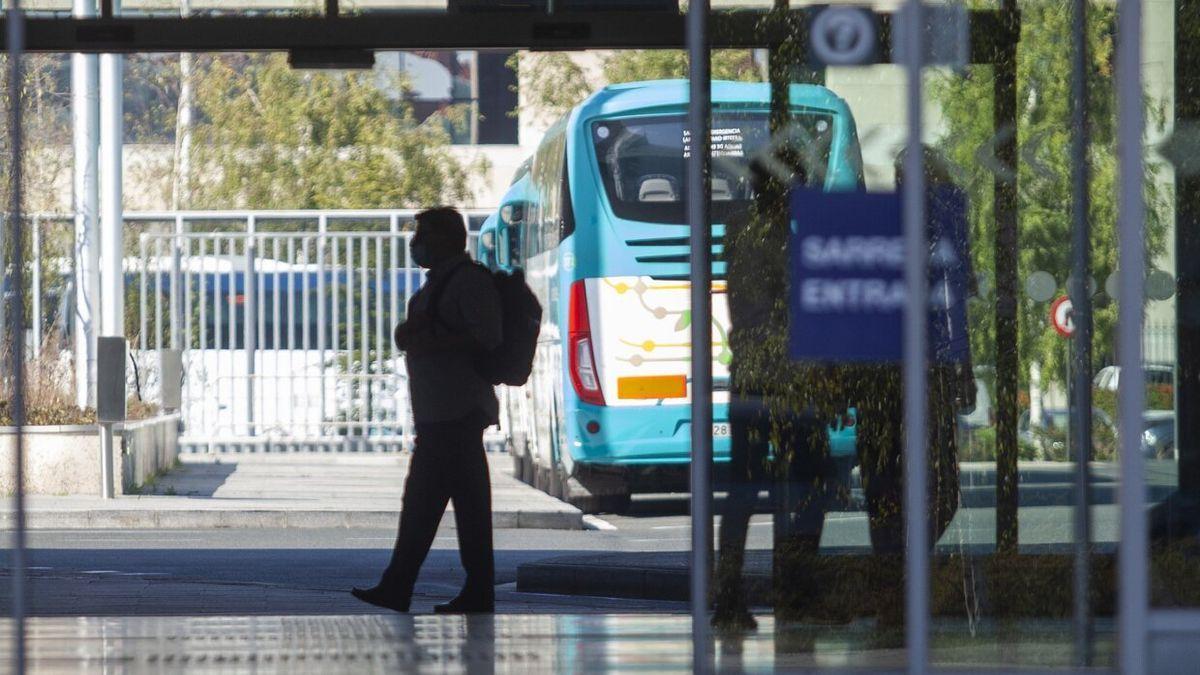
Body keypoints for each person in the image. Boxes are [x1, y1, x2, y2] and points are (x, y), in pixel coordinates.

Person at [352, 206, 503, 614]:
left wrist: (431, 339)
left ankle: (402, 585)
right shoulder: (439, 283)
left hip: (457, 414)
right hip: (442, 414)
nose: (415, 244)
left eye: (422, 235)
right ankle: (460, 589)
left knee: (425, 502)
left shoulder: (468, 282)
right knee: (454, 507)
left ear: (445, 240)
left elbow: (485, 337)